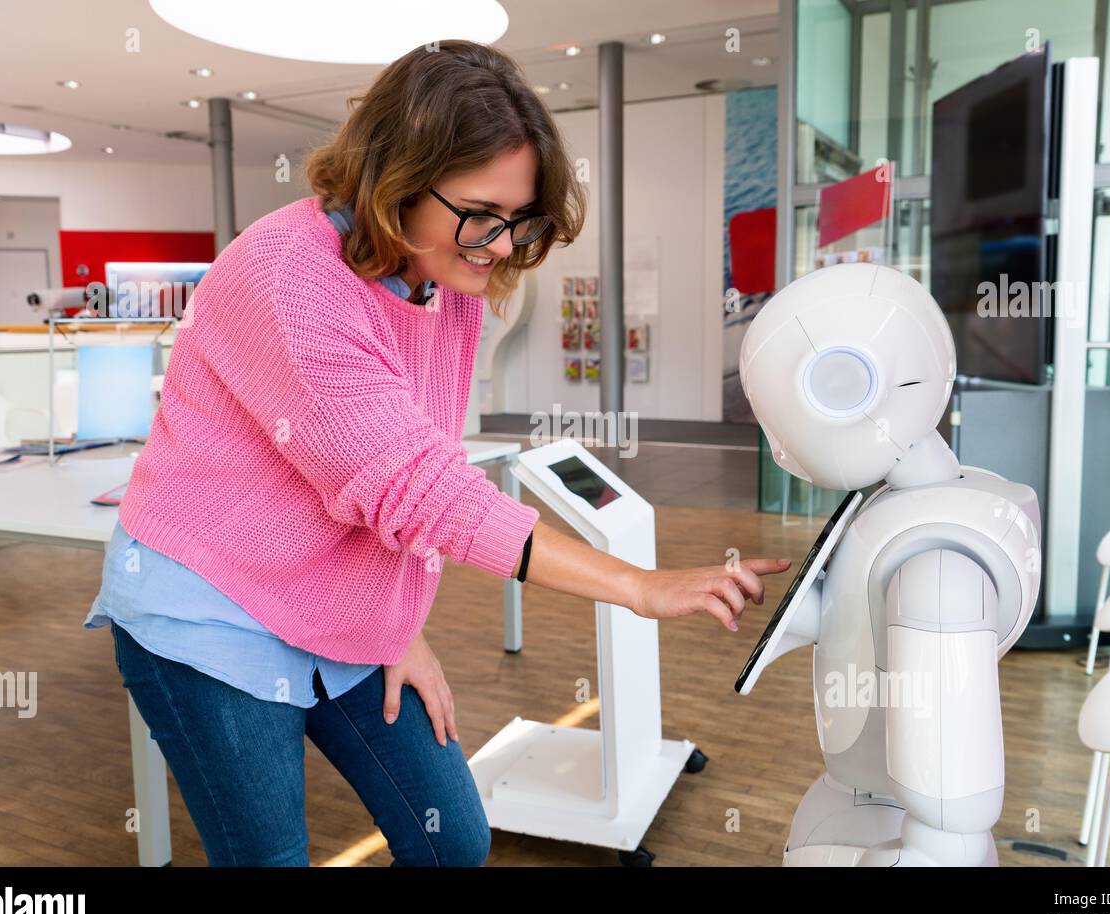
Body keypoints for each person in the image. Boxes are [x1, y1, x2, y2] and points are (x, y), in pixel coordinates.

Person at [84, 39, 791, 867]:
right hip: (208, 607)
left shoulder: (440, 276)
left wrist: (393, 623)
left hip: (328, 604)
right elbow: (424, 491)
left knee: (454, 839)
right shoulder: (291, 280)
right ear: (397, 177)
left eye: (517, 219)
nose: (497, 243)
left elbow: (409, 458)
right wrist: (636, 585)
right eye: (481, 213)